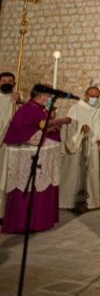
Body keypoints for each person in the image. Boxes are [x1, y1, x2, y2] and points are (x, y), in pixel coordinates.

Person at [2, 84, 70, 233]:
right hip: (29, 157)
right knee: (30, 186)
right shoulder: (28, 110)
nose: (49, 99)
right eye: (47, 97)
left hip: (41, 156)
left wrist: (53, 126)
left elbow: (40, 127)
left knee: (41, 183)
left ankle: (40, 221)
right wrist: (56, 123)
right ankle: (27, 223)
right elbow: (24, 132)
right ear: (40, 96)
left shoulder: (38, 109)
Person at [60, 86, 100, 212]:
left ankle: (92, 202)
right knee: (74, 172)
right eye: (92, 96)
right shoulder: (75, 108)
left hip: (93, 145)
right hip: (77, 144)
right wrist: (80, 130)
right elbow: (69, 127)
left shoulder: (99, 109)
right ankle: (69, 201)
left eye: (97, 96)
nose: (94, 99)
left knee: (93, 172)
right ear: (86, 94)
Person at [0, 71, 20, 224]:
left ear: (14, 83)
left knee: (8, 179)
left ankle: (6, 212)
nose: (6, 83)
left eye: (10, 81)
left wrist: (19, 101)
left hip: (12, 146)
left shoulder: (17, 101)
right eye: (3, 80)